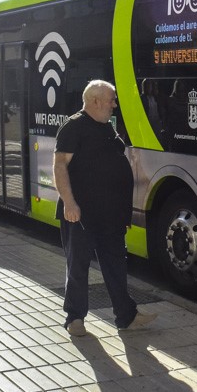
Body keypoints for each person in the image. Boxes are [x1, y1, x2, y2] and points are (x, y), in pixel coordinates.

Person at [53, 80, 156, 337]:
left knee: (116, 266)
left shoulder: (106, 128)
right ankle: (75, 318)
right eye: (111, 99)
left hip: (111, 215)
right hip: (82, 214)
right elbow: (59, 167)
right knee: (78, 265)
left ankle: (126, 316)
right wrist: (69, 202)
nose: (114, 104)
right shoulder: (73, 127)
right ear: (96, 101)